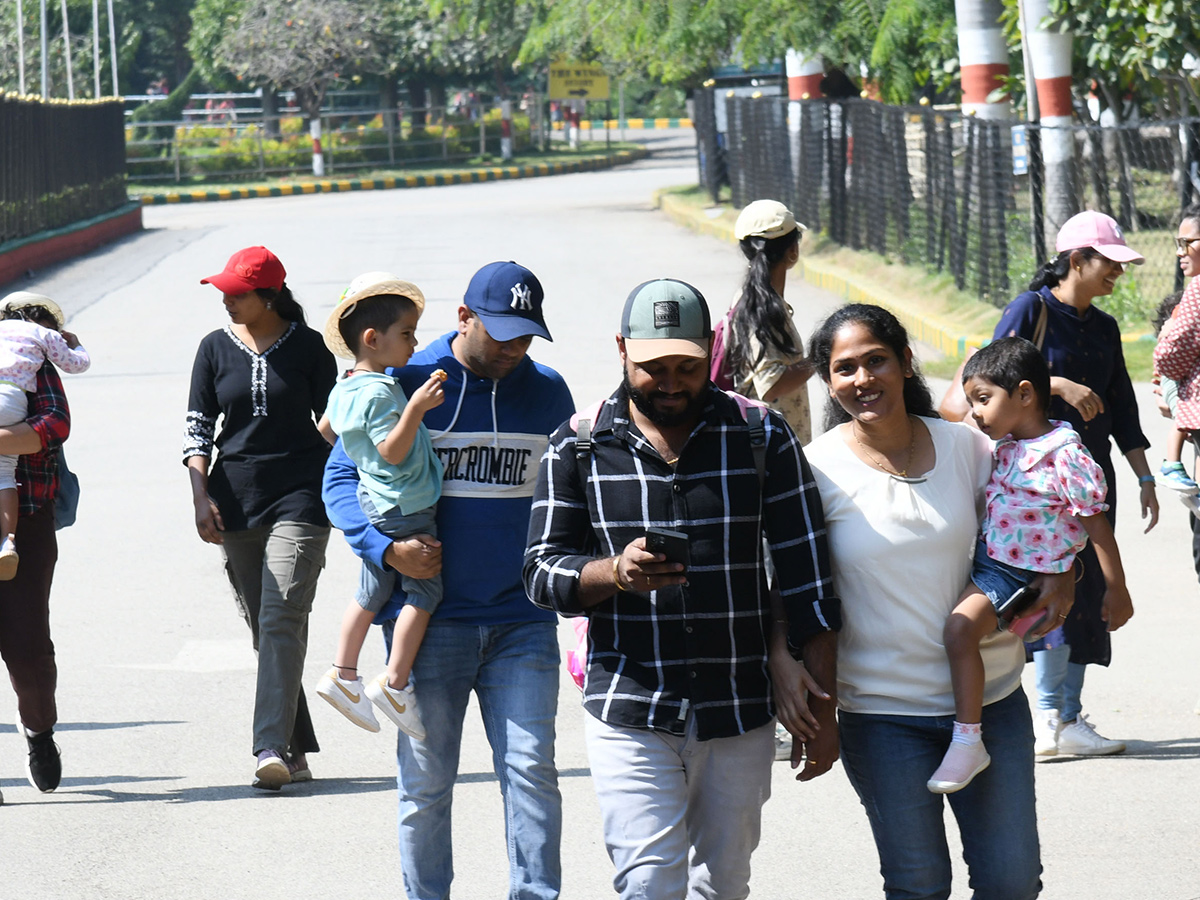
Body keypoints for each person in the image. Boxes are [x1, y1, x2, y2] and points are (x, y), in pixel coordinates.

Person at [524, 278, 840, 900]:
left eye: (686, 366)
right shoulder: (579, 445)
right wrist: (612, 573)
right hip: (629, 707)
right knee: (647, 886)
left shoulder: (760, 435)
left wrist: (821, 707)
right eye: (652, 367)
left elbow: (809, 576)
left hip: (740, 709)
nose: (669, 381)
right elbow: (540, 572)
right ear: (621, 349)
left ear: (712, 349)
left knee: (723, 885)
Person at [801, 303, 1072, 899]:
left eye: (877, 360)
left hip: (992, 702)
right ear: (828, 380)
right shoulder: (814, 471)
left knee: (1012, 882)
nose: (863, 378)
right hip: (882, 717)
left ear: (904, 363)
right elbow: (792, 591)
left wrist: (1066, 572)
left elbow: (1039, 517)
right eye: (845, 368)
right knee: (918, 884)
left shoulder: (970, 448)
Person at [322, 260, 572, 900]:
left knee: (532, 772)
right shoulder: (403, 378)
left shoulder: (548, 393)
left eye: (527, 336)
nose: (516, 348)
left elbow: (571, 496)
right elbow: (340, 479)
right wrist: (385, 549)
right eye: (502, 333)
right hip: (431, 628)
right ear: (465, 318)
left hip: (523, 621)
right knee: (426, 784)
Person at [930, 337, 1132, 794]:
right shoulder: (1006, 442)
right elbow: (951, 414)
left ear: (1024, 394)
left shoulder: (1063, 454)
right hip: (989, 557)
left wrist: (1115, 590)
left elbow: (1097, 528)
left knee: (959, 632)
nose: (975, 411)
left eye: (983, 399)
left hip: (1014, 573)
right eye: (973, 399)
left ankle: (968, 739)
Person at [991, 210, 1158, 758]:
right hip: (1037, 485)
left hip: (1089, 480)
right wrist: (1055, 383)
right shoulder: (1031, 309)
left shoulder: (1105, 327)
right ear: (1075, 260)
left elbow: (1124, 409)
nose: (1117, 273)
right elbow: (988, 377)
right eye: (1109, 262)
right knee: (1049, 589)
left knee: (1089, 597)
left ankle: (1068, 715)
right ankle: (1047, 716)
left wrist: (1143, 474)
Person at [184, 246, 337, 790]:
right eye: (223, 291)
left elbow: (336, 417)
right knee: (266, 626)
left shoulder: (310, 349)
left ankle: (269, 746)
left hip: (301, 497)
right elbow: (198, 427)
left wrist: (309, 454)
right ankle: (293, 750)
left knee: (279, 618)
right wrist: (201, 494)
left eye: (237, 292)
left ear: (268, 295)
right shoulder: (213, 349)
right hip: (235, 498)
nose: (226, 300)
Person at [314, 273, 445, 738]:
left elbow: (328, 432)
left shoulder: (346, 386)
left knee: (372, 590)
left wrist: (363, 452)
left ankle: (344, 673)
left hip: (378, 502)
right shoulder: (381, 392)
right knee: (425, 592)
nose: (414, 343)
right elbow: (391, 450)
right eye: (407, 334)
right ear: (373, 338)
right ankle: (394, 682)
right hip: (405, 503)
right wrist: (417, 408)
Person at [0, 292, 75, 802]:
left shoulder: (36, 364)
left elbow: (55, 425)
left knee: (27, 649)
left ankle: (39, 731)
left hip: (25, 521)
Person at [0, 299, 90, 580]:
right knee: (4, 475)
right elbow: (56, 422)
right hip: (28, 507)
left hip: (32, 513)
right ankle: (7, 540)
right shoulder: (41, 345)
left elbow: (55, 425)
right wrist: (75, 345)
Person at [724, 199, 814, 444]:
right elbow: (771, 386)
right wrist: (819, 359)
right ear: (792, 251)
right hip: (771, 447)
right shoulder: (759, 307)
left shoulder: (759, 299)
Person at [1150, 289, 1197, 497]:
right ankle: (1172, 464)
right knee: (1182, 422)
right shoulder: (1177, 324)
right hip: (1174, 382)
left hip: (1172, 381)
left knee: (1184, 423)